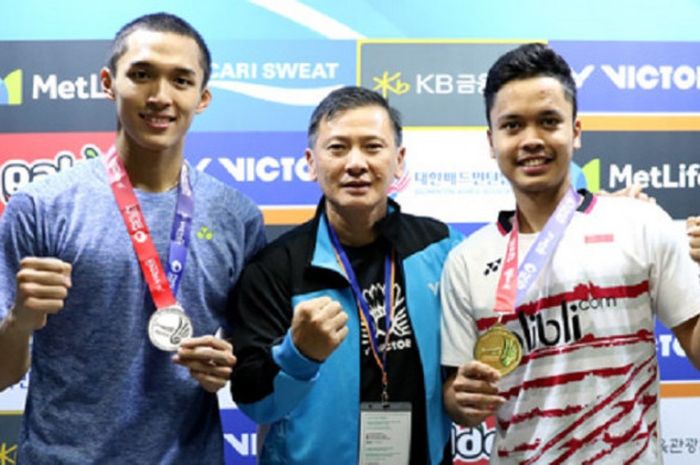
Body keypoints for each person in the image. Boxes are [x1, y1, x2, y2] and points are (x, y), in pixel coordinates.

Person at [0, 13, 265, 464]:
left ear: (202, 98)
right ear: (108, 82)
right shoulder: (41, 205)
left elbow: (255, 371)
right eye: (142, 75)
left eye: (181, 81)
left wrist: (228, 365)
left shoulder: (237, 216)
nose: (160, 97)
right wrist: (21, 319)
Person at [440, 43, 700, 464]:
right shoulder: (467, 260)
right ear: (491, 141)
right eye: (512, 126)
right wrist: (462, 398)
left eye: (548, 122)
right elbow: (457, 398)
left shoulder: (640, 224)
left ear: (575, 131)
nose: (531, 140)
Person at [228, 86, 463, 464]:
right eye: (337, 148)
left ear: (399, 161)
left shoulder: (441, 246)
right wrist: (299, 354)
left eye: (372, 146)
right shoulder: (274, 269)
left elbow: (463, 365)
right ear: (310, 162)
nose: (356, 163)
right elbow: (254, 404)